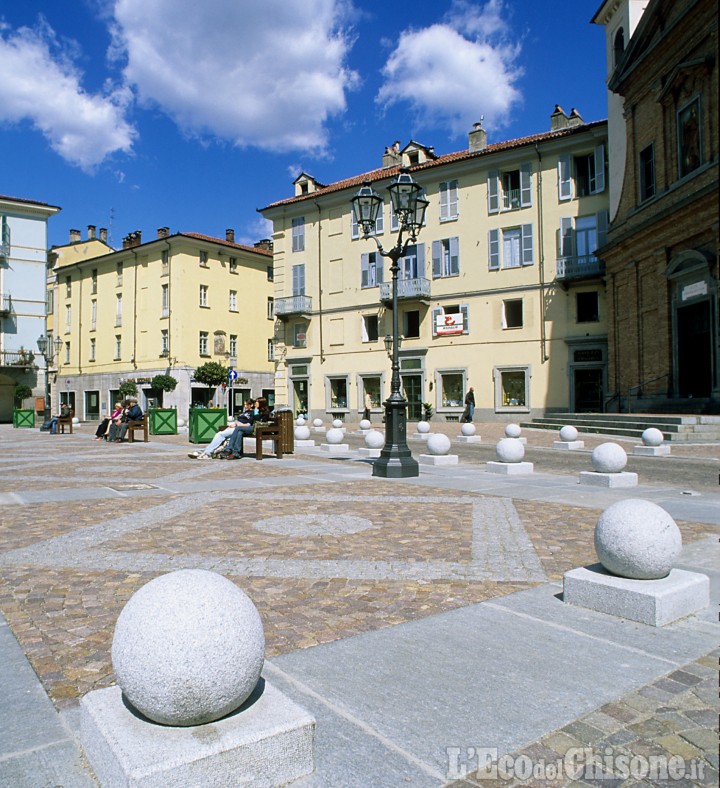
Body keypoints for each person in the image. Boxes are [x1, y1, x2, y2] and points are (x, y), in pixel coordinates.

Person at [188, 400, 254, 459]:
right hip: (234, 426)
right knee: (223, 436)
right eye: (244, 404)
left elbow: (248, 424)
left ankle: (207, 452)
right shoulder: (244, 412)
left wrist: (237, 425)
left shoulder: (251, 413)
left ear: (251, 405)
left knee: (220, 434)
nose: (245, 406)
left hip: (238, 427)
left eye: (247, 405)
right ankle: (207, 451)